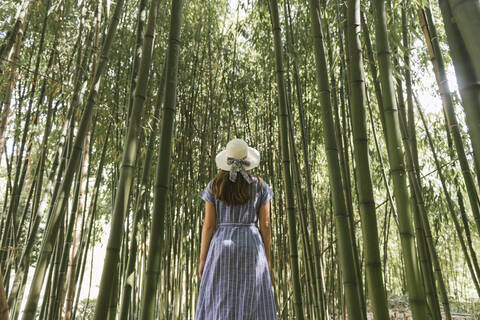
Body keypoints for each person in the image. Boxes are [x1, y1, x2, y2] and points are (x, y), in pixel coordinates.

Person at [195, 138, 278, 319]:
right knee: (252, 300)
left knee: (221, 298)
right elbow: (265, 225)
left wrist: (203, 259)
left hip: (221, 247)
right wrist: (268, 259)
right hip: (251, 244)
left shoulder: (214, 185)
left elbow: (208, 226)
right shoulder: (260, 186)